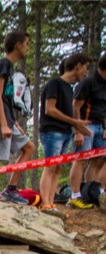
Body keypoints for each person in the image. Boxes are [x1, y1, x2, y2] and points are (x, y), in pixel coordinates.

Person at [0, 30, 36, 202]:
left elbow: (5, 98)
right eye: (26, 44)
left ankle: (11, 189)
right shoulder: (3, 64)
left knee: (29, 148)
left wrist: (12, 122)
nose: (27, 48)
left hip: (7, 120)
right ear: (18, 45)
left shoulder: (10, 68)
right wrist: (4, 124)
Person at [38, 53, 93, 213]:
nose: (86, 72)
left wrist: (75, 126)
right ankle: (45, 202)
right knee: (50, 166)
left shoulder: (70, 89)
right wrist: (74, 122)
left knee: (57, 168)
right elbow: (50, 109)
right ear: (77, 65)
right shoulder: (55, 83)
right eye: (85, 67)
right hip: (52, 131)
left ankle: (51, 202)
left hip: (65, 132)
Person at [68, 52, 106, 207]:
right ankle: (75, 195)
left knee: (99, 159)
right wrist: (78, 130)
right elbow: (75, 106)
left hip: (100, 126)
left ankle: (92, 192)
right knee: (81, 159)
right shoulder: (88, 83)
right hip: (85, 125)